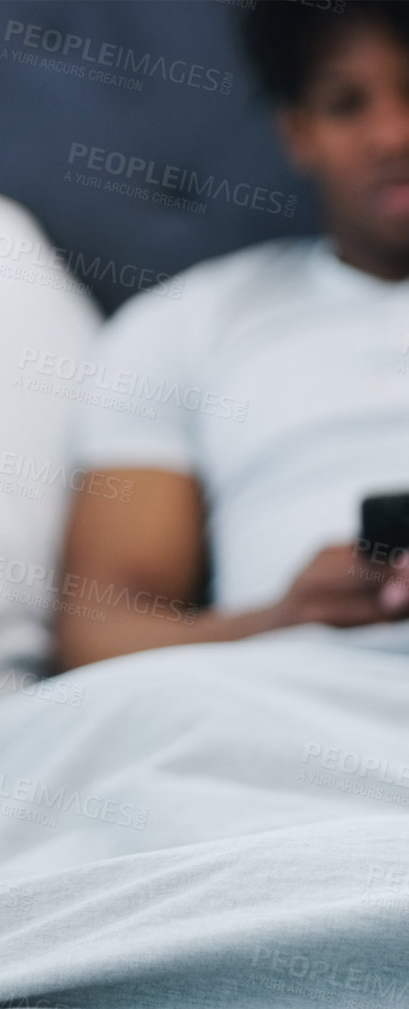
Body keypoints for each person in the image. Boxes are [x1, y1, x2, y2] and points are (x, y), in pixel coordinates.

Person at [55, 0, 409, 670]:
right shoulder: (186, 326)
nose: (392, 135)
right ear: (298, 132)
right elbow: (99, 635)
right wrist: (283, 618)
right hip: (280, 701)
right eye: (346, 103)